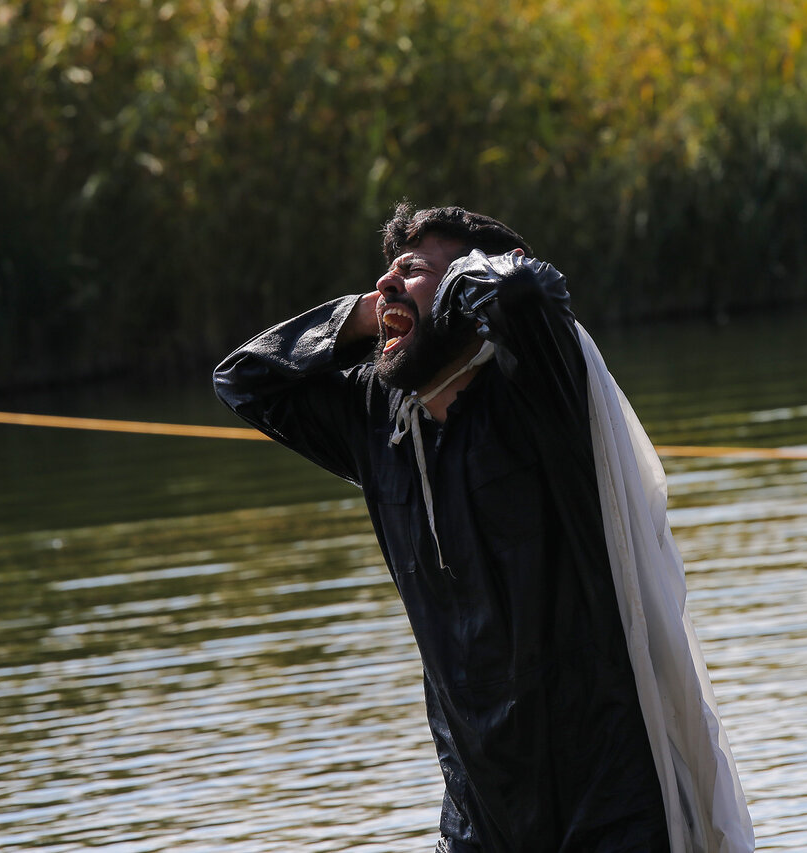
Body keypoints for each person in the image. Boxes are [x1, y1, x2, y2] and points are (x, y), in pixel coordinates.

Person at [214, 203, 753, 852]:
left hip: (605, 801)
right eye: (384, 274)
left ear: (470, 284)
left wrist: (461, 284)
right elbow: (244, 379)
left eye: (411, 269)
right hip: (477, 817)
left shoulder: (540, 393)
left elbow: (529, 293)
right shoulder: (374, 421)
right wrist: (371, 309)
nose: (386, 283)